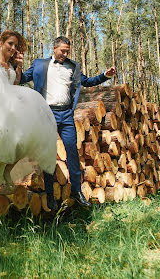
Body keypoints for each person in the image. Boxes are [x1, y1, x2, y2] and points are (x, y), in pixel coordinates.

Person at [20, 36, 117, 210]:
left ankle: (76, 191)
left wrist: (104, 76)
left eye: (67, 51)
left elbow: (87, 82)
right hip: (46, 114)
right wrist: (12, 65)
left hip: (66, 114)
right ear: (54, 48)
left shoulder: (73, 67)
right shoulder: (39, 64)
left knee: (72, 151)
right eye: (62, 51)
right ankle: (50, 194)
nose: (65, 54)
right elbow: (21, 78)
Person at [0, 30, 58, 186]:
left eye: (16, 45)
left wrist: (19, 66)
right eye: (10, 43)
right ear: (1, 42)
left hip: (11, 107)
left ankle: (7, 169)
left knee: (24, 141)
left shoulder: (12, 66)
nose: (13, 48)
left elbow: (15, 84)